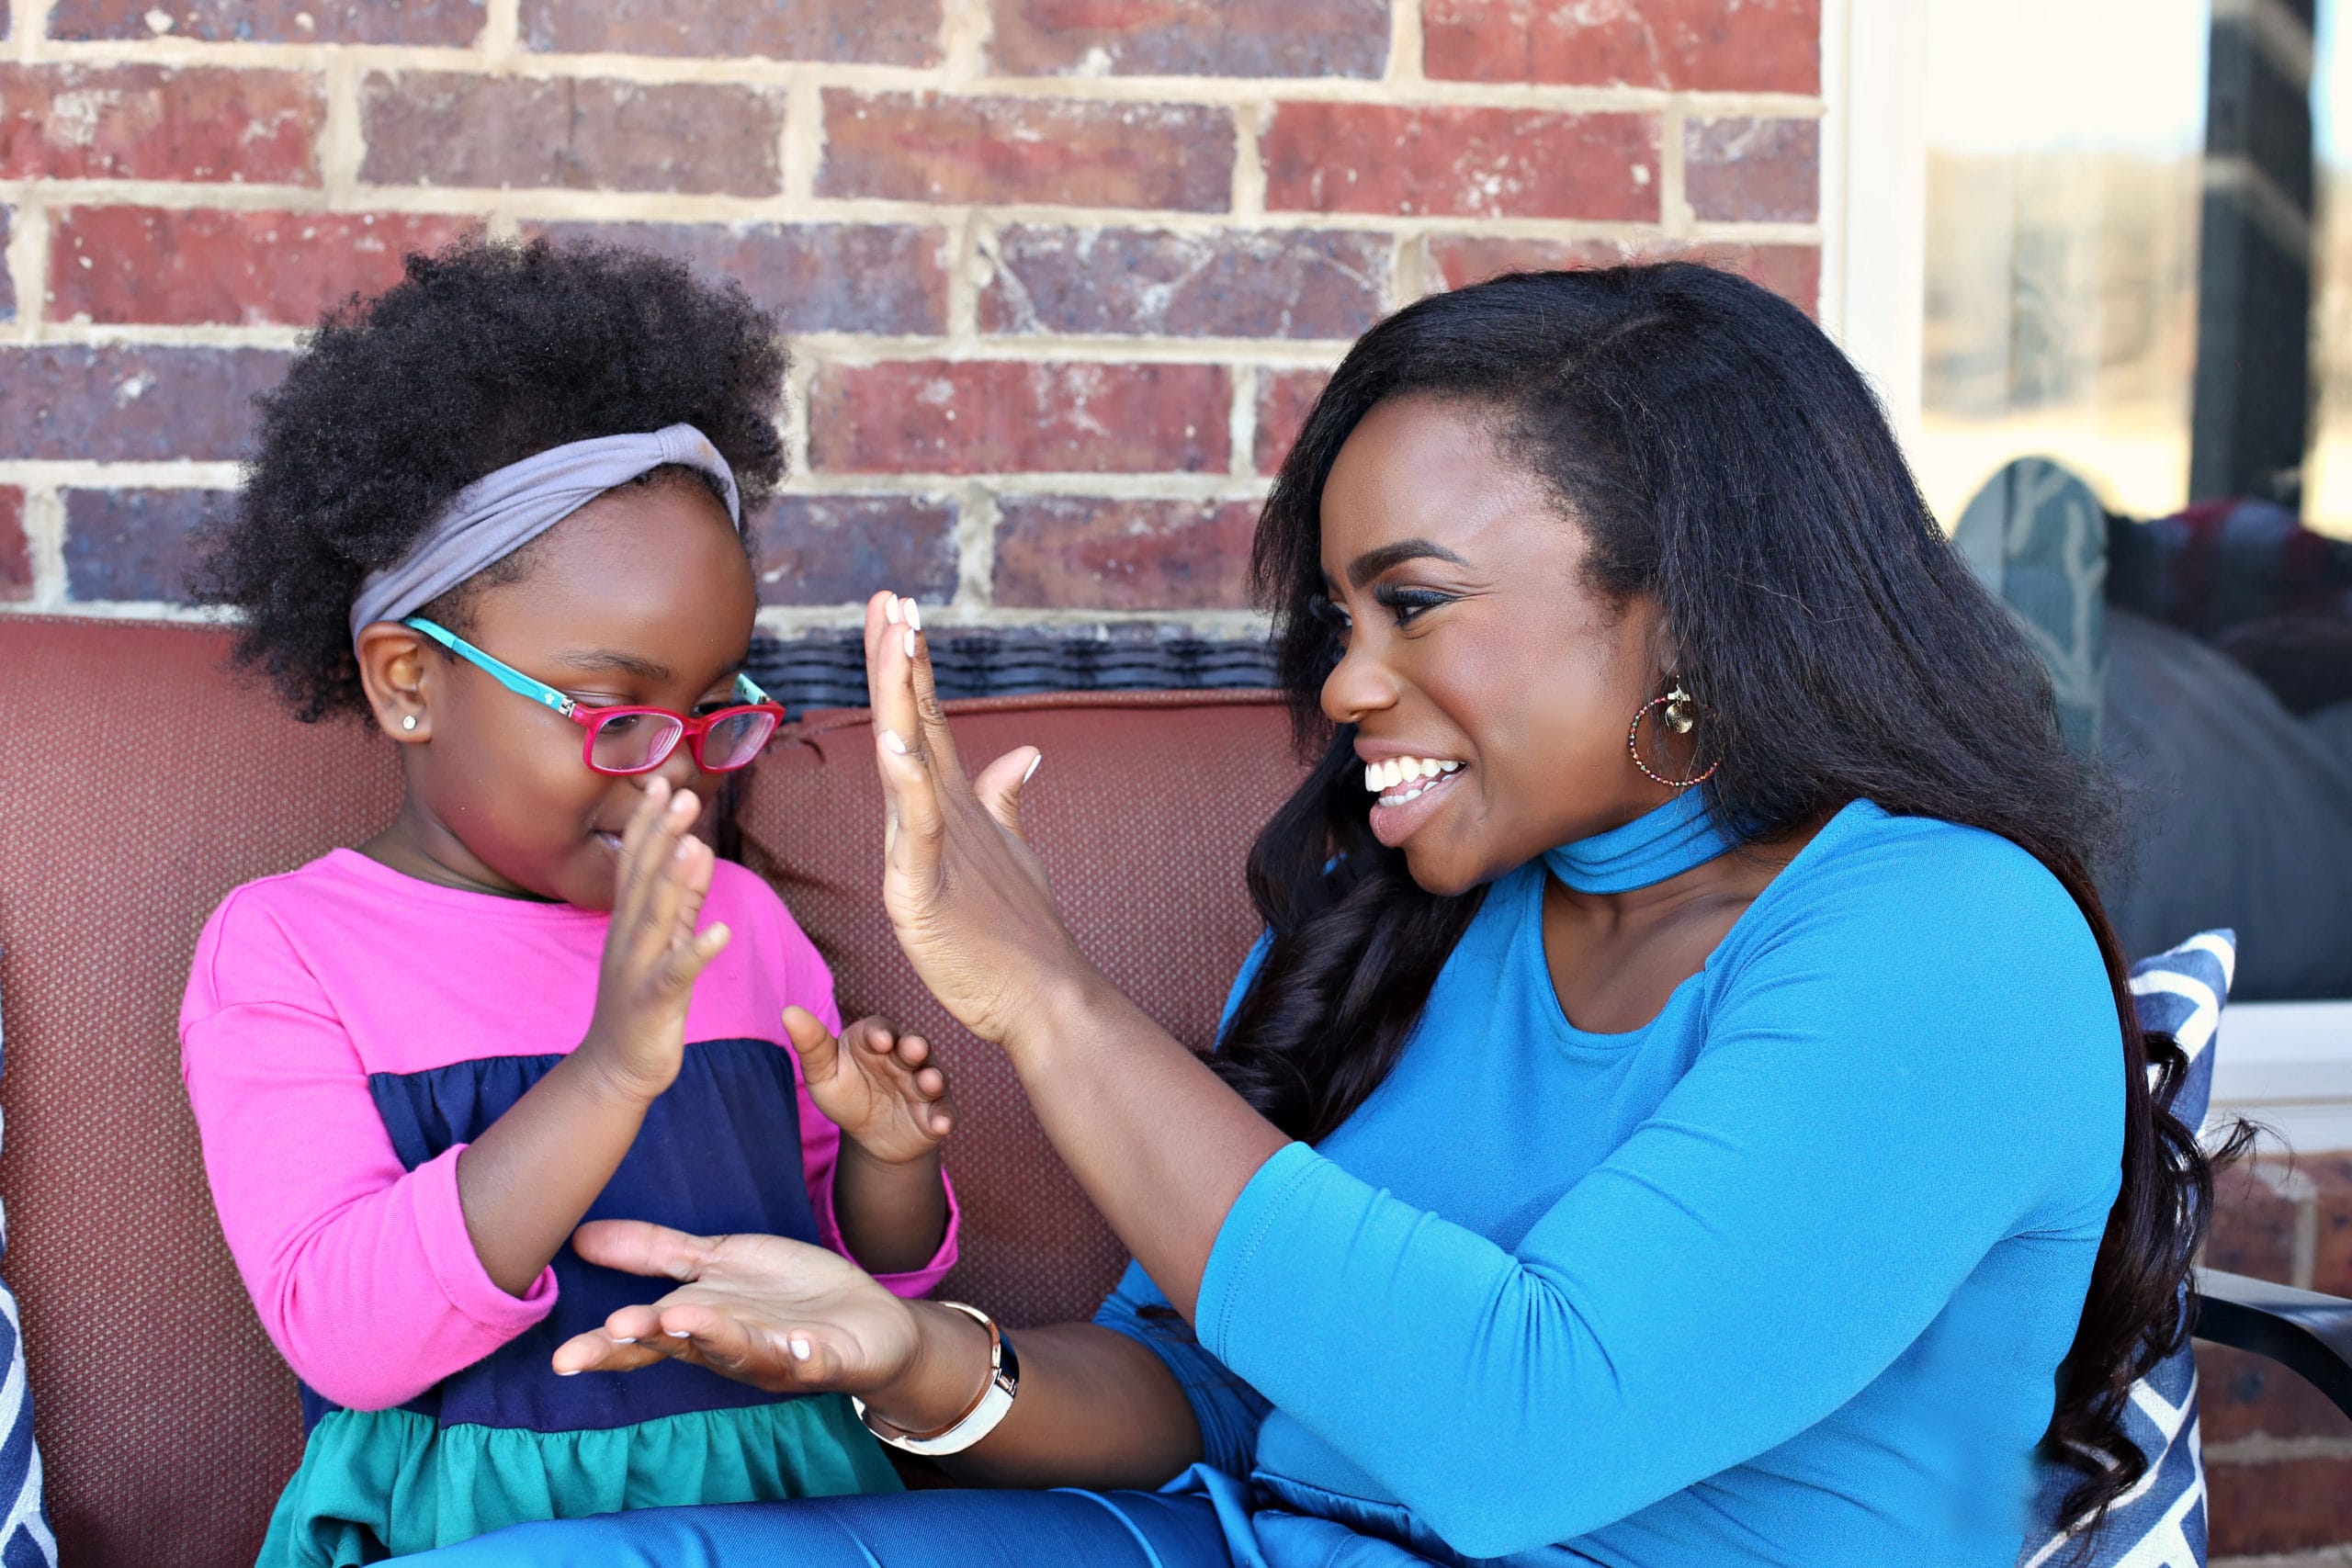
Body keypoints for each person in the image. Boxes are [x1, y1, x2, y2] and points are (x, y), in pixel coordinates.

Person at [415, 263, 2217, 1566]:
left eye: (1411, 604)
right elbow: (1203, 1382)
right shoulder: (1407, 919)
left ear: (1681, 608)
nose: (1346, 685)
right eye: (1338, 621)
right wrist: (915, 1360)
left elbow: (1524, 1430)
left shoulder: (1943, 939)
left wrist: (1050, 998)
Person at [178, 237, 961, 1565]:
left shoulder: (742, 924)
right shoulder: (291, 951)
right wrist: (607, 1074)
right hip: (473, 1526)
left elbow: (861, 1291)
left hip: (787, 1506)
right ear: (408, 681)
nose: (678, 772)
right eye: (613, 711)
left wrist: (893, 1165)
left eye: (712, 711)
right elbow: (348, 1337)